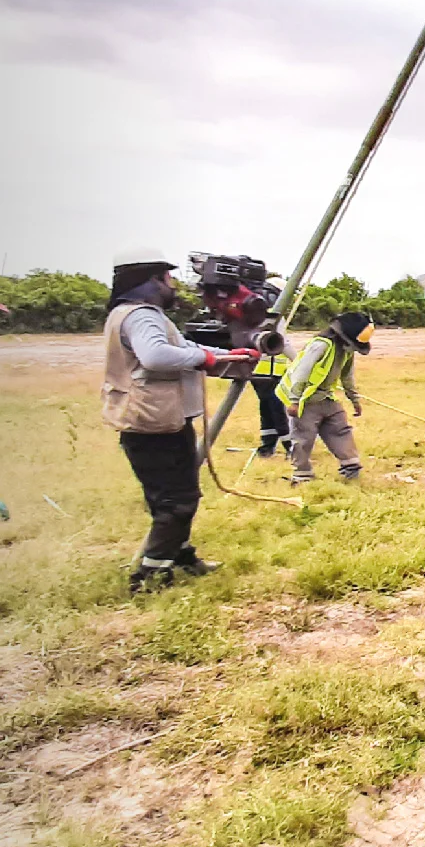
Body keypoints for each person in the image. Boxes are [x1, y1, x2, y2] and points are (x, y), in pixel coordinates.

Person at [101, 247, 259, 592]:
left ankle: (181, 555)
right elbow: (156, 356)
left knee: (177, 495)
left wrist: (229, 355)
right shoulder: (141, 316)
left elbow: (182, 345)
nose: (173, 285)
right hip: (152, 423)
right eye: (168, 278)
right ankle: (150, 575)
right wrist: (204, 358)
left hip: (164, 419)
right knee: (177, 501)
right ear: (150, 280)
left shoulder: (139, 314)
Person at [278, 312, 372, 484]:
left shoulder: (347, 350)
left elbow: (347, 376)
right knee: (303, 438)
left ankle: (350, 466)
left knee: (340, 428)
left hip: (326, 397)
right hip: (305, 399)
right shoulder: (321, 345)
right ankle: (302, 475)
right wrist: (294, 400)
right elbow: (301, 372)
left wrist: (354, 399)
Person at [250, 335, 296, 458]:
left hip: (275, 377)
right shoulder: (255, 335)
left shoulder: (278, 337)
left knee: (278, 413)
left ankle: (289, 446)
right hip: (258, 377)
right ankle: (268, 445)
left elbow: (294, 357)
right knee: (266, 412)